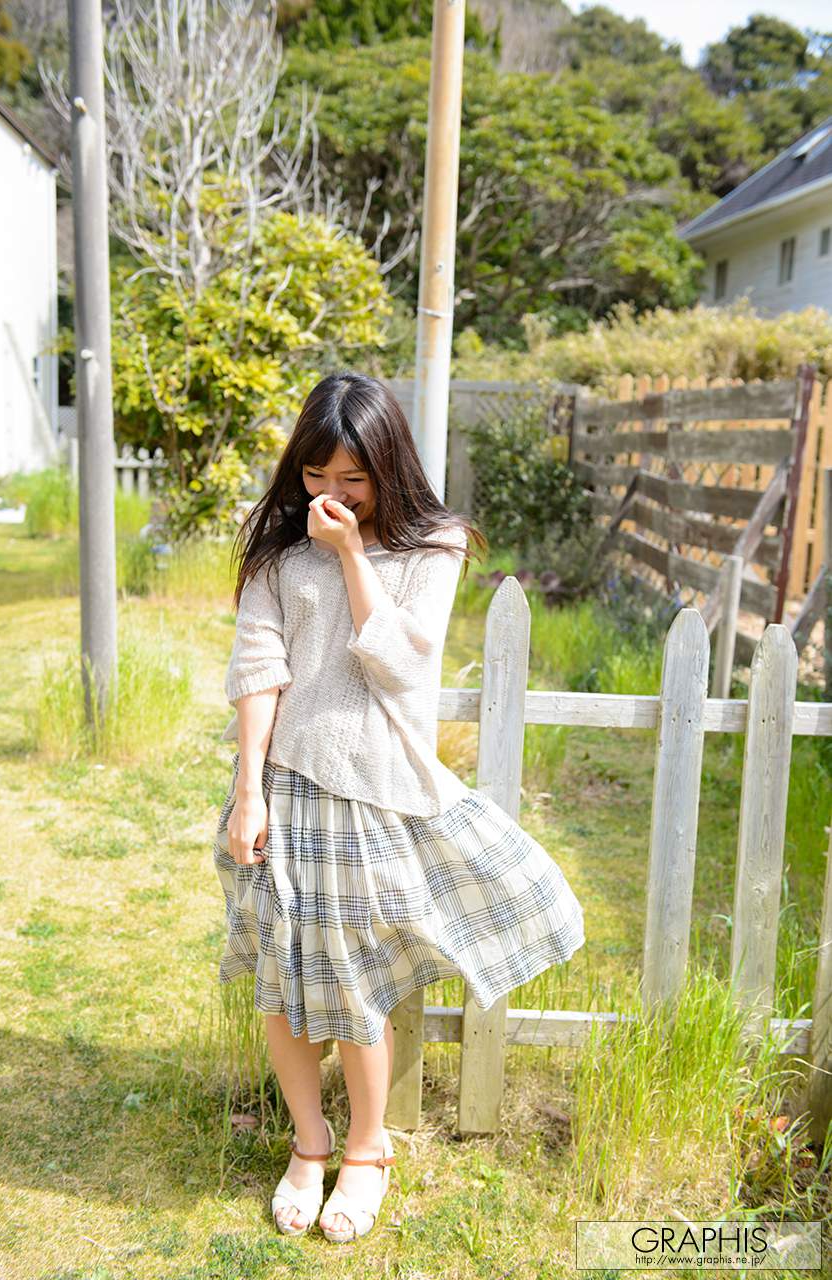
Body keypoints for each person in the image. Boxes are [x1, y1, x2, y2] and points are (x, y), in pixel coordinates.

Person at [212, 371, 585, 1243]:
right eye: (316, 475)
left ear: (388, 465)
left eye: (354, 479)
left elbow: (402, 666)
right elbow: (258, 667)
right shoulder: (276, 550)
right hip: (284, 785)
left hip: (373, 792)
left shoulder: (434, 546)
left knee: (354, 982)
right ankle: (308, 1142)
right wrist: (248, 791)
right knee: (279, 978)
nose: (332, 494)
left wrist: (349, 556)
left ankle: (367, 1150)